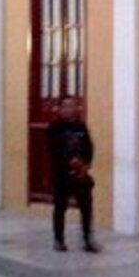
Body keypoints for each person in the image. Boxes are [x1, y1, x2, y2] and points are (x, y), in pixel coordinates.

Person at [46, 99, 99, 253]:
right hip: (62, 174)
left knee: (86, 207)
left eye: (73, 106)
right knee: (60, 207)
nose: (71, 109)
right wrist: (70, 162)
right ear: (60, 109)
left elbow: (89, 147)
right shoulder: (55, 128)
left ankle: (88, 239)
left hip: (81, 174)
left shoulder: (80, 126)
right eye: (67, 106)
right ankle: (59, 239)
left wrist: (86, 165)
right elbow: (54, 150)